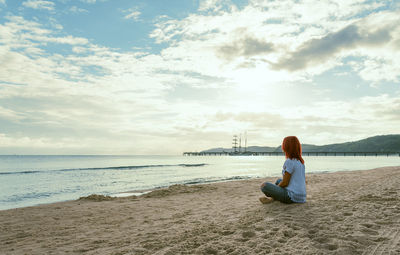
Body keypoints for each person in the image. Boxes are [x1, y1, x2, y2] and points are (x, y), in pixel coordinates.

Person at [259, 136, 306, 204]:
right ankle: (273, 198)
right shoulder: (300, 162)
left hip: (292, 197)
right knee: (278, 181)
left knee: (264, 186)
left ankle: (272, 198)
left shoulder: (289, 161)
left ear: (286, 147)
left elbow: (285, 183)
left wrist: (276, 189)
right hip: (301, 197)